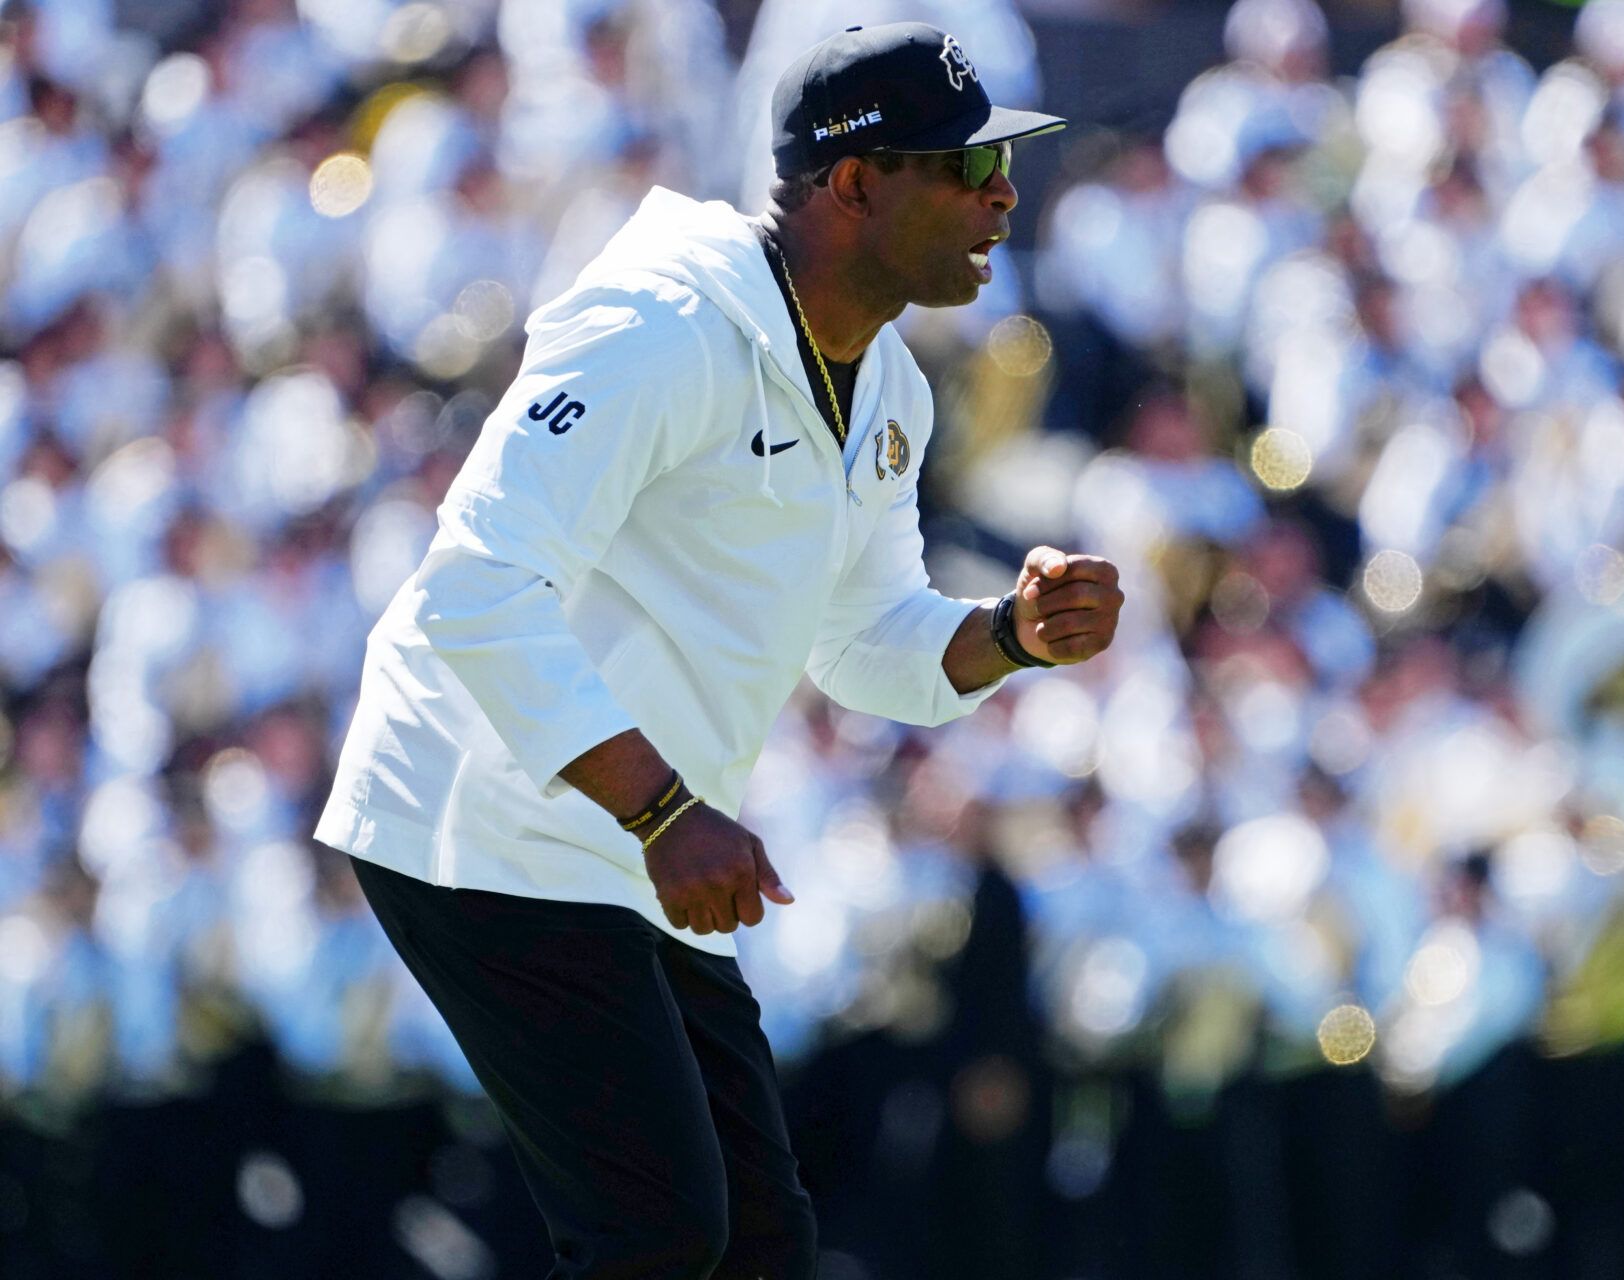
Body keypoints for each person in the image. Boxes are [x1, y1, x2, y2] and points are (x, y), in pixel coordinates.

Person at [313, 21, 1122, 1280]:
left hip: (635, 844)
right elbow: (469, 590)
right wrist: (667, 811)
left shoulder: (892, 384)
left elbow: (862, 642)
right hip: (479, 823)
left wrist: (1008, 635)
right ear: (854, 184)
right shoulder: (659, 322)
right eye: (961, 169)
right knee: (661, 1234)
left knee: (755, 1243)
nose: (1002, 193)